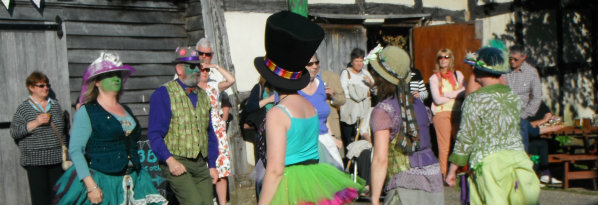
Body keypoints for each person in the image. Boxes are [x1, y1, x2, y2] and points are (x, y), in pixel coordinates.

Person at [255, 11, 363, 205]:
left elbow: (275, 169)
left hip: (288, 187)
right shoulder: (311, 107)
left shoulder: (277, 113)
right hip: (314, 182)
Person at [53, 52, 167, 204]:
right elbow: (75, 150)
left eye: (118, 75)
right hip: (103, 182)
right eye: (109, 75)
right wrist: (91, 186)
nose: (115, 78)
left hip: (135, 180)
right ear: (97, 82)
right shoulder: (88, 111)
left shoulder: (127, 110)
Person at [445, 47, 540, 205]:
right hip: (518, 160)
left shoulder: (475, 100)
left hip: (489, 164)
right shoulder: (513, 97)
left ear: (478, 70)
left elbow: (466, 136)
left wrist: (453, 169)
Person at [369, 46, 444, 205]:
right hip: (433, 179)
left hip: (405, 184)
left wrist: (375, 199)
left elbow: (380, 159)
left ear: (381, 77)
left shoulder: (384, 110)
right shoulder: (420, 106)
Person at [147, 47, 219, 205]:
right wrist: (170, 160)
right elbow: (154, 134)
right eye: (191, 66)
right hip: (177, 159)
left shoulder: (203, 95)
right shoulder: (164, 94)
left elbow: (210, 132)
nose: (197, 71)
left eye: (199, 66)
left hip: (200, 162)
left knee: (208, 203)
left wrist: (212, 164)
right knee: (194, 202)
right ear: (179, 69)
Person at [10, 71, 65, 205]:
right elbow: (14, 132)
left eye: (47, 85)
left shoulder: (55, 105)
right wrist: (36, 123)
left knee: (60, 198)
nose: (46, 88)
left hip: (57, 160)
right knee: (40, 200)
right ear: (31, 87)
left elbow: (63, 130)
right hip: (35, 161)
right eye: (41, 85)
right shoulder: (24, 108)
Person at [196, 37, 236, 205]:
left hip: (216, 130)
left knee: (220, 170)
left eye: (208, 55)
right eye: (201, 54)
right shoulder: (191, 86)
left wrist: (215, 67)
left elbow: (231, 81)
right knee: (202, 169)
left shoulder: (214, 84)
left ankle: (222, 203)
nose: (204, 58)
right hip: (198, 130)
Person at [299, 54, 344, 170]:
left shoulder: (320, 84)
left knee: (337, 175)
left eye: (317, 62)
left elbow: (323, 116)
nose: (314, 66)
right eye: (310, 64)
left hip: (324, 139)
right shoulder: (294, 89)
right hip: (305, 142)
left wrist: (332, 136)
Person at [428, 48, 465, 177]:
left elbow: (464, 92)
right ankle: (443, 174)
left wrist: (448, 94)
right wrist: (456, 95)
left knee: (460, 142)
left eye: (446, 57)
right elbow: (437, 99)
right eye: (441, 57)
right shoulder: (434, 78)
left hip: (457, 112)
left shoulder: (458, 75)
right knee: (444, 147)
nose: (443, 59)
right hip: (442, 113)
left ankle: (461, 171)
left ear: (451, 59)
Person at [504, 44, 542, 151]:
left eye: (516, 59)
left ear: (523, 57)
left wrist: (524, 115)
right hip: (504, 115)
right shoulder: (503, 71)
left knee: (521, 149)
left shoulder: (531, 72)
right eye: (510, 59)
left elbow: (537, 96)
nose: (512, 62)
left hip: (521, 116)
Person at [340, 47, 374, 157]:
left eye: (361, 61)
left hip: (364, 110)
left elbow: (374, 90)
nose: (359, 64)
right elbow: (345, 92)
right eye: (357, 61)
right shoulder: (346, 73)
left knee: (363, 135)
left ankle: (361, 160)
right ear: (352, 61)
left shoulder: (366, 73)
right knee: (350, 138)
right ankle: (350, 162)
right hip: (351, 112)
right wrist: (363, 93)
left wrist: (371, 84)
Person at [320, 69, 346, 155]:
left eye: (315, 63)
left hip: (332, 124)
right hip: (312, 128)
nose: (313, 66)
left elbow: (342, 100)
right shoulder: (300, 79)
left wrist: (332, 95)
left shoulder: (332, 77)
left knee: (336, 157)